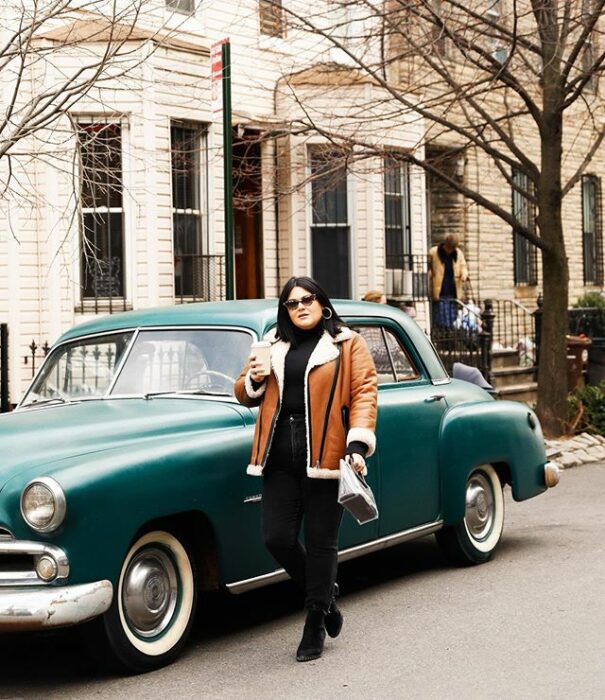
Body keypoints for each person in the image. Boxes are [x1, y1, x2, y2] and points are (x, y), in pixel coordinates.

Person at [234, 277, 378, 662]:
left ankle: (314, 621)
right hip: (277, 457)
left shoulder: (347, 344)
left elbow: (365, 391)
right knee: (275, 537)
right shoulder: (273, 346)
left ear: (322, 303)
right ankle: (327, 599)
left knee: (320, 543)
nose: (300, 306)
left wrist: (357, 444)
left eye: (307, 299)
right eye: (291, 302)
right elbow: (243, 393)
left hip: (327, 457)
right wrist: (253, 379)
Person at [428, 233, 469, 328]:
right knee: (441, 319)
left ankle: (449, 338)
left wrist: (464, 274)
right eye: (450, 247)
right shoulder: (434, 252)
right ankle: (442, 337)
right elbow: (427, 266)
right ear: (446, 244)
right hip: (439, 291)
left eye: (453, 248)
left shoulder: (458, 254)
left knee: (452, 320)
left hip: (453, 291)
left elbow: (463, 266)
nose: (451, 250)